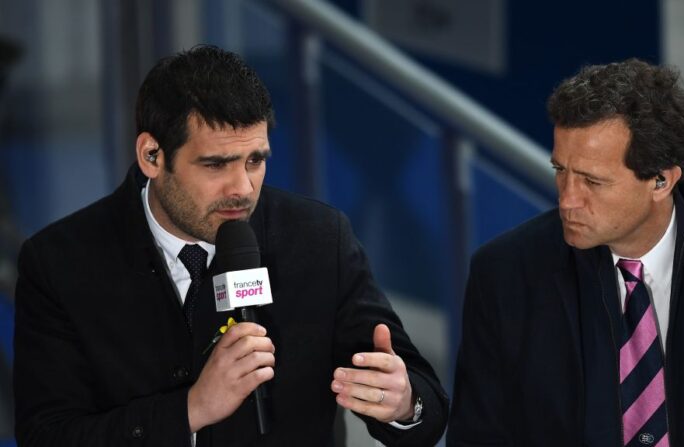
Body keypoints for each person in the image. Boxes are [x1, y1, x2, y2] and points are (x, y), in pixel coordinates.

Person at [14, 45, 448, 446]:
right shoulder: (60, 262)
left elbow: (427, 405)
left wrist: (403, 402)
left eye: (255, 160)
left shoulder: (318, 239)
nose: (242, 188)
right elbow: (47, 435)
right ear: (151, 156)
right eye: (216, 164)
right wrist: (190, 410)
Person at [448, 59, 684, 446]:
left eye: (592, 181)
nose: (567, 200)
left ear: (662, 180)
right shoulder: (505, 275)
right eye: (561, 170)